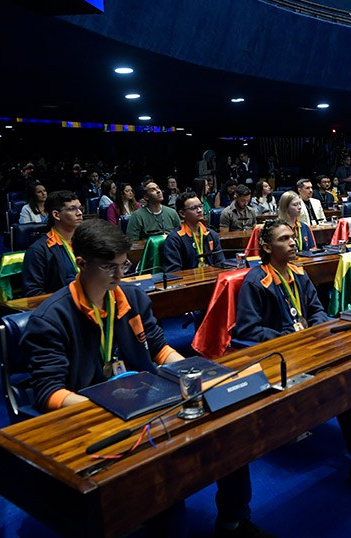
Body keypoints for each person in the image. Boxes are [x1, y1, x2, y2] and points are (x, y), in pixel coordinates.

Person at [21, 219, 268, 537]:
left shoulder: (132, 299)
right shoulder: (51, 318)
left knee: (228, 428)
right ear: (81, 264)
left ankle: (234, 521)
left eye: (125, 265)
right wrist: (109, 411)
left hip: (148, 401)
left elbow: (160, 350)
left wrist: (199, 374)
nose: (121, 276)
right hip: (92, 418)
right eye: (111, 268)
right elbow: (47, 391)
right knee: (167, 490)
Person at [235, 220, 351, 502]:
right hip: (281, 357)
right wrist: (289, 334)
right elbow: (247, 330)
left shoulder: (298, 272)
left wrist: (318, 331)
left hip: (311, 346)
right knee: (343, 385)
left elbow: (317, 311)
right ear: (266, 247)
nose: (293, 243)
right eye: (284, 239)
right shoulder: (255, 281)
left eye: (293, 237)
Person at [22, 191, 83, 297]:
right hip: (62, 308)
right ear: (56, 215)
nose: (79, 213)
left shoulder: (87, 241)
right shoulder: (39, 250)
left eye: (80, 208)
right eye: (72, 209)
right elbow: (33, 293)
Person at [164, 191, 226, 272]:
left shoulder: (211, 234)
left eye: (200, 206)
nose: (200, 210)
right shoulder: (174, 239)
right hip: (188, 282)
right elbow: (174, 272)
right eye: (194, 208)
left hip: (212, 279)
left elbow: (220, 263)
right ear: (182, 213)